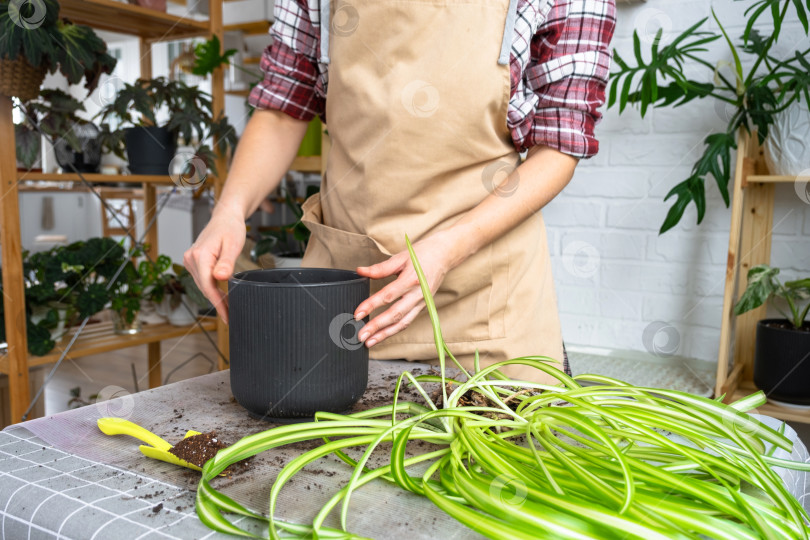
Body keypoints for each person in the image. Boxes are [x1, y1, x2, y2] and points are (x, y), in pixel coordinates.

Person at [185, 0, 616, 384]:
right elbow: (284, 105)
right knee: (334, 468)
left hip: (486, 300)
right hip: (348, 297)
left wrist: (450, 247)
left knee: (498, 465)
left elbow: (558, 147)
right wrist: (230, 210)